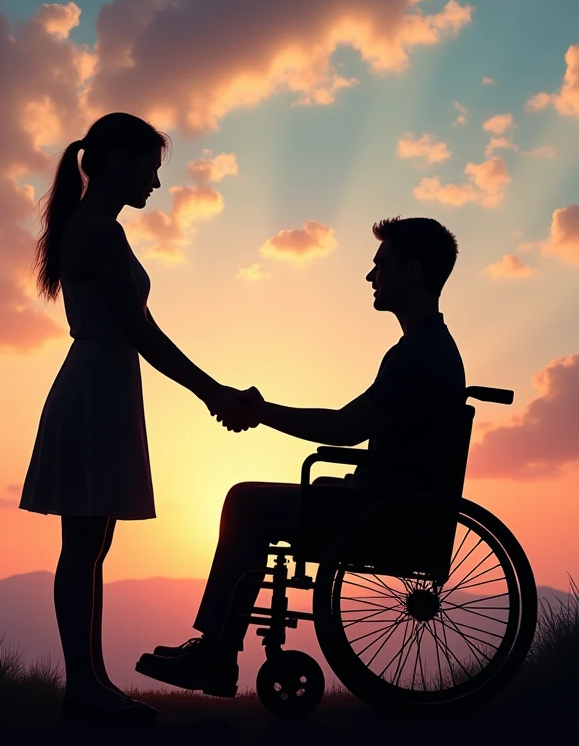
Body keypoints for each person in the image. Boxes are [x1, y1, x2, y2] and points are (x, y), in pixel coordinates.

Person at [136, 216, 466, 698]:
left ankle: (217, 653)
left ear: (412, 272)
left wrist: (262, 411)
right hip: (390, 502)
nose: (370, 276)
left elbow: (344, 428)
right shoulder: (427, 348)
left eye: (380, 264)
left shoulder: (421, 354)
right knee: (274, 499)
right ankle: (217, 648)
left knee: (247, 503)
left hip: (384, 515)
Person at [19, 112, 256, 721]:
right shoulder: (100, 231)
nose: (154, 182)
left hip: (102, 384)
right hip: (98, 387)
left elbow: (135, 330)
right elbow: (140, 330)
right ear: (120, 161)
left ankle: (89, 682)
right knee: (83, 545)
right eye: (150, 167)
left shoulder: (92, 225)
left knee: (91, 543)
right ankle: (84, 686)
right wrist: (212, 391)